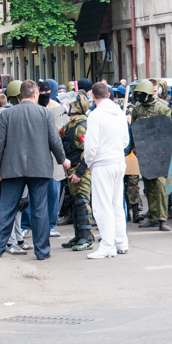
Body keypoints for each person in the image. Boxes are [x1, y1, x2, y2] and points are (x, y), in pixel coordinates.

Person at [0, 80, 67, 260]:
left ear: (20, 95)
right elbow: (54, 140)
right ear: (35, 94)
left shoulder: (7, 114)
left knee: (7, 208)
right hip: (39, 167)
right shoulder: (45, 113)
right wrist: (62, 160)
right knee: (40, 209)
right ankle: (42, 251)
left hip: (12, 167)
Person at [83, 82, 131, 258]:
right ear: (109, 95)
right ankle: (121, 241)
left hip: (102, 163)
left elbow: (90, 146)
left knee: (103, 206)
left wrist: (89, 161)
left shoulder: (95, 116)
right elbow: (126, 140)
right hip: (118, 161)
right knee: (117, 204)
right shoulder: (119, 113)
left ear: (93, 96)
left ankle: (108, 245)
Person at [131, 79, 172, 232]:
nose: (137, 96)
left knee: (161, 186)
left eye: (140, 94)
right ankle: (153, 217)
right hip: (144, 152)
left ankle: (163, 219)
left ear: (148, 94)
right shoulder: (137, 110)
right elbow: (134, 130)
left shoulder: (162, 109)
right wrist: (134, 147)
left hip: (160, 153)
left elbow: (168, 131)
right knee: (149, 186)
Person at [60, 94, 95, 251]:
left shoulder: (82, 126)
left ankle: (87, 236)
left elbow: (89, 152)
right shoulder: (70, 125)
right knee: (75, 203)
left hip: (81, 170)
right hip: (71, 169)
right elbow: (59, 134)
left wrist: (79, 173)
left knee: (82, 202)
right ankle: (79, 235)